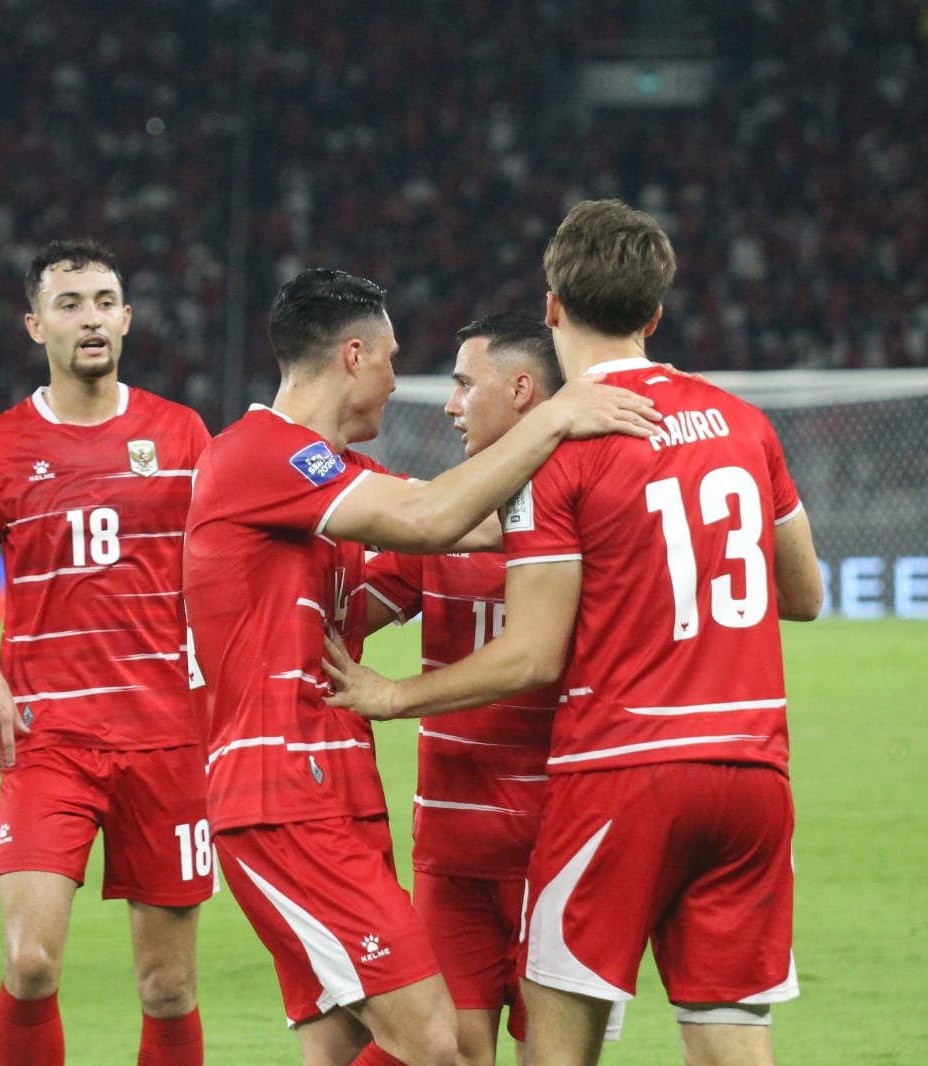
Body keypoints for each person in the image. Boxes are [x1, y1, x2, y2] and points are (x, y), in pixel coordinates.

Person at [324, 200, 824, 1066]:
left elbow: (533, 654)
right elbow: (805, 594)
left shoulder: (561, 455)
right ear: (656, 313)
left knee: (555, 1044)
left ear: (552, 307)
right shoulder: (744, 424)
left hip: (621, 774)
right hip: (753, 767)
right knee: (730, 1038)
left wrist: (394, 694)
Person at [181, 269, 662, 1066]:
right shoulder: (257, 456)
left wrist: (617, 506)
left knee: (342, 1049)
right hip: (283, 796)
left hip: (337, 792)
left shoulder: (335, 474)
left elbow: (476, 525)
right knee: (439, 1046)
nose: (408, 384)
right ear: (355, 355)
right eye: (396, 358)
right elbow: (435, 519)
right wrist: (559, 418)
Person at [0, 239, 212, 1066]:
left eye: (103, 301)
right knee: (30, 964)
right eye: (69, 303)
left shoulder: (183, 434)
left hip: (169, 739)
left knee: (168, 988)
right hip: (48, 738)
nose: (90, 317)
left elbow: (229, 568)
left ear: (125, 319)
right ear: (34, 325)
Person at [359, 311, 568, 1065]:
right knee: (452, 1052)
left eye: (462, 384)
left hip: (563, 844)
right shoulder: (439, 518)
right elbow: (352, 616)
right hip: (452, 852)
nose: (448, 404)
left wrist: (394, 696)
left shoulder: (598, 512)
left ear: (520, 389)